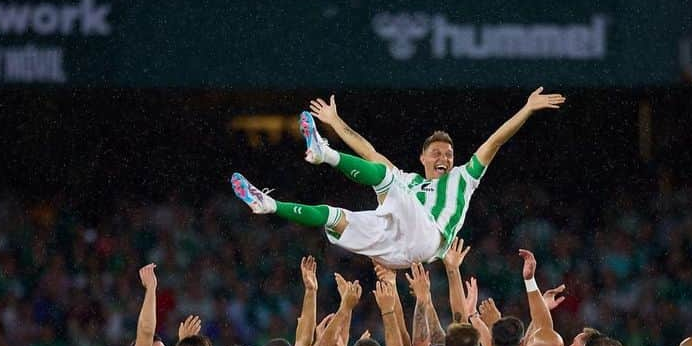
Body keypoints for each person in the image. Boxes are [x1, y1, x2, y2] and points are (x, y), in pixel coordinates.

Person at [230, 88, 564, 268]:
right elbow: (368, 150)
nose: (443, 158)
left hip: (429, 239)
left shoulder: (464, 178)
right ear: (422, 158)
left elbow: (495, 141)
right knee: (333, 216)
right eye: (436, 152)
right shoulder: (410, 181)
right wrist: (335, 120)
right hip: (394, 246)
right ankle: (268, 204)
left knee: (387, 181)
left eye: (448, 154)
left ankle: (324, 153)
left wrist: (527, 108)